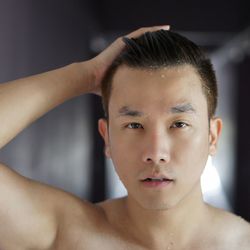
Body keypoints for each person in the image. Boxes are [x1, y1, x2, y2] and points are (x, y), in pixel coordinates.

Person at [0, 25, 249, 250]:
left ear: (212, 136)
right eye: (134, 125)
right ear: (106, 137)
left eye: (179, 124)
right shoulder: (66, 235)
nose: (156, 152)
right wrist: (86, 75)